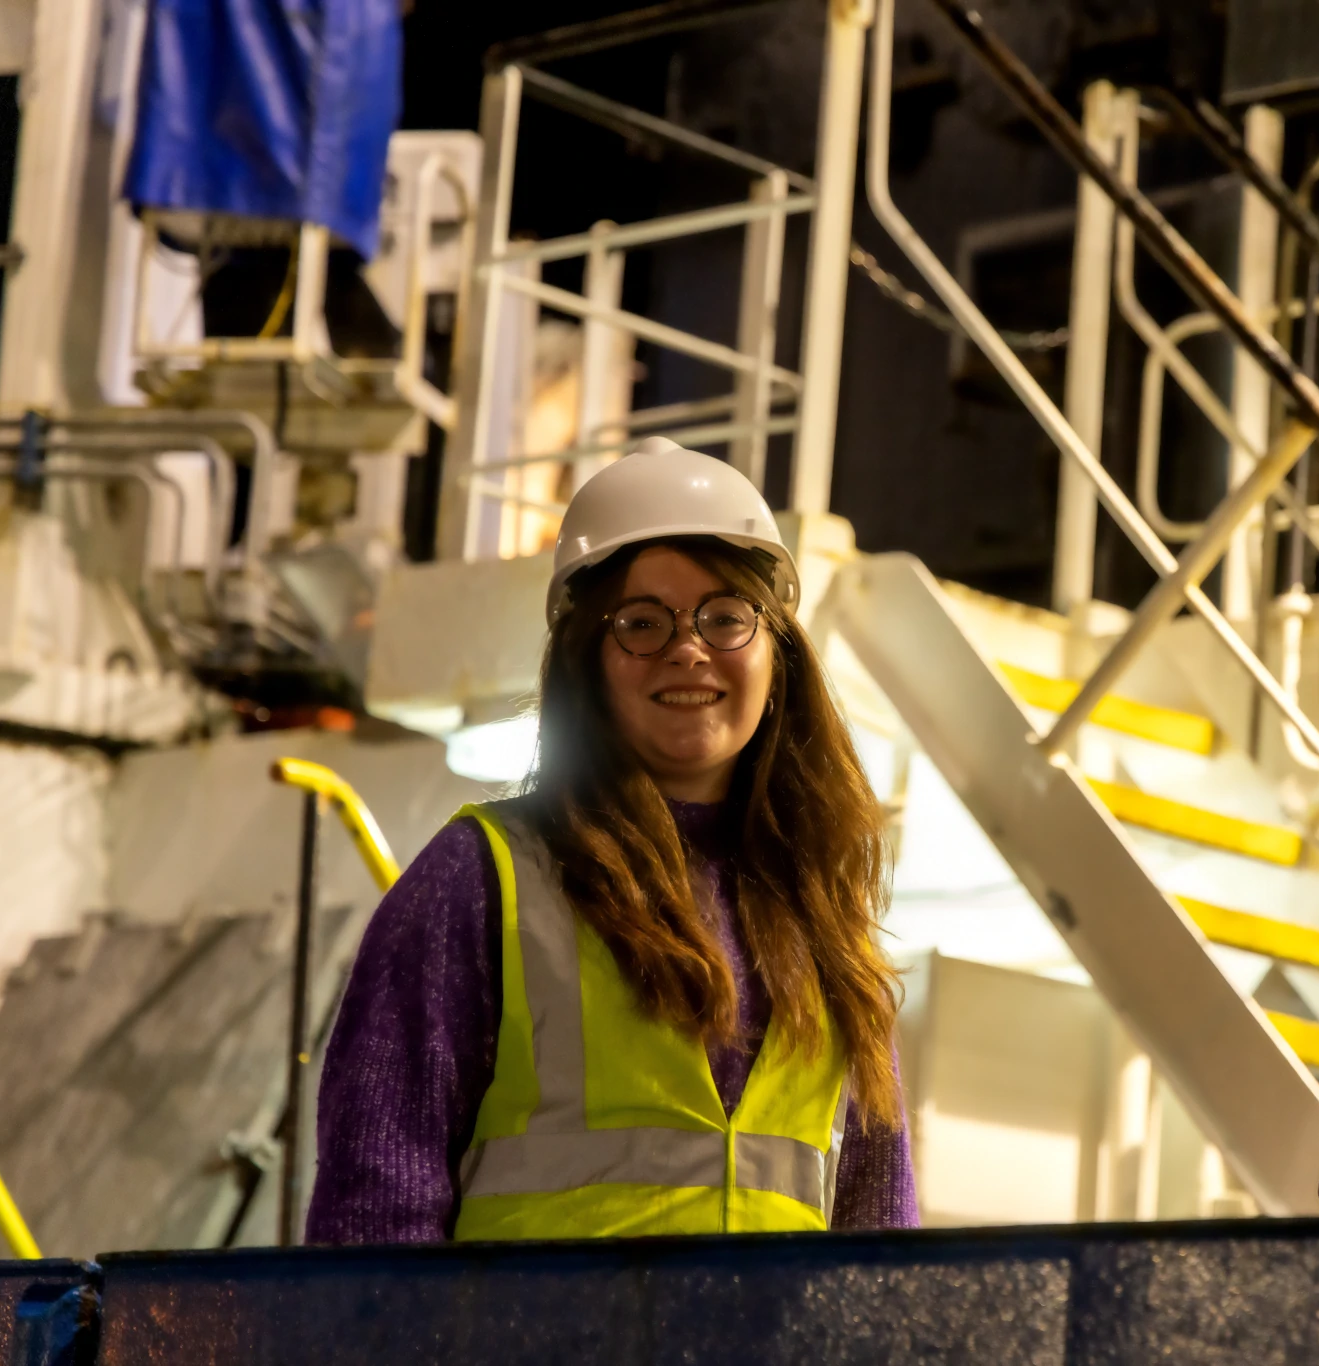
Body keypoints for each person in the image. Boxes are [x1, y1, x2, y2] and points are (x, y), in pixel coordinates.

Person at [309, 439, 917, 1240]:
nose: (689, 647)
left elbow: (879, 1234)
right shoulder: (479, 881)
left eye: (727, 617)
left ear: (778, 654)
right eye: (642, 622)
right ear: (586, 662)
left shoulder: (819, 909)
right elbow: (373, 1224)